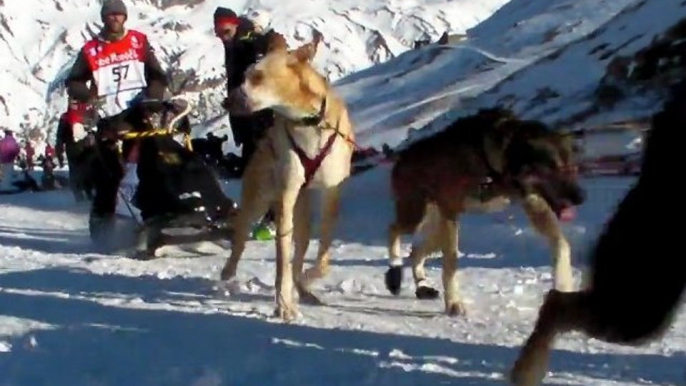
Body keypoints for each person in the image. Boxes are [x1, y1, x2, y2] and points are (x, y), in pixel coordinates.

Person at [64, 0, 169, 240]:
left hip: (138, 115)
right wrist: (89, 95)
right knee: (110, 176)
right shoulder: (91, 50)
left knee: (148, 167)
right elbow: (73, 82)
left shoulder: (138, 41)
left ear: (125, 18)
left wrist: (153, 96)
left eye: (119, 15)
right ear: (103, 18)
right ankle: (101, 231)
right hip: (109, 118)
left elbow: (157, 74)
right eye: (110, 15)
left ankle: (152, 218)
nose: (114, 18)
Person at [213, 6, 280, 238]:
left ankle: (275, 217)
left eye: (225, 30)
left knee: (267, 169)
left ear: (234, 24)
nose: (222, 35)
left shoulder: (250, 42)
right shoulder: (232, 42)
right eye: (218, 31)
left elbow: (260, 74)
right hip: (246, 118)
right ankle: (259, 215)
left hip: (262, 117)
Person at [55, 99, 96, 202]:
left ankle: (79, 197)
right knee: (87, 171)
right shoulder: (87, 114)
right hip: (86, 148)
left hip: (72, 148)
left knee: (75, 172)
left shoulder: (65, 117)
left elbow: (60, 135)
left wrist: (59, 150)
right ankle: (89, 194)